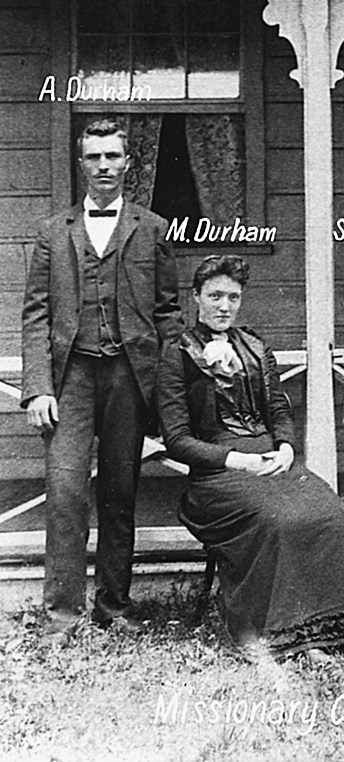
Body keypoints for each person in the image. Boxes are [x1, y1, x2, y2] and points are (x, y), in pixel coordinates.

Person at [21, 118, 183, 645]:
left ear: (128, 162)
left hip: (128, 378)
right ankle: (61, 617)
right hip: (70, 379)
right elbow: (36, 316)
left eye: (113, 156)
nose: (104, 167)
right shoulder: (52, 233)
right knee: (65, 491)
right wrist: (38, 387)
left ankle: (114, 605)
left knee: (120, 492)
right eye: (94, 158)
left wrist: (167, 388)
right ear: (81, 163)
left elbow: (168, 314)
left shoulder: (152, 228)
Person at [158, 255, 344, 662]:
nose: (224, 306)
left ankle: (325, 630)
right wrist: (236, 460)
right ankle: (286, 638)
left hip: (273, 462)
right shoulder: (177, 354)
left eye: (233, 297)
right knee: (279, 521)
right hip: (218, 478)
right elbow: (178, 440)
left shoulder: (254, 346)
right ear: (196, 297)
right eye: (215, 295)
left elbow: (279, 410)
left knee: (333, 514)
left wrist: (287, 448)